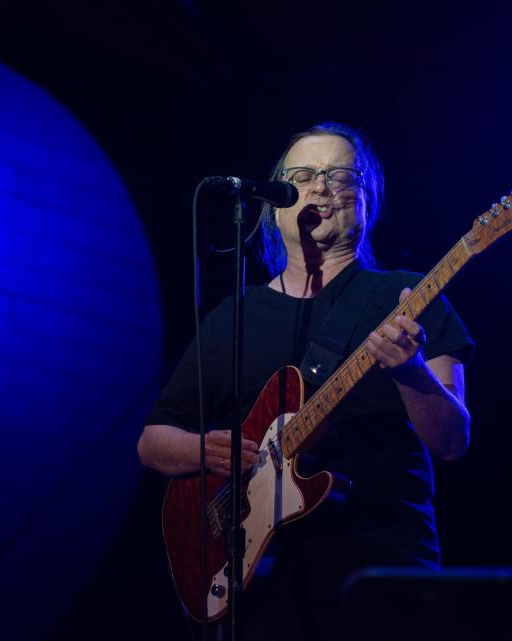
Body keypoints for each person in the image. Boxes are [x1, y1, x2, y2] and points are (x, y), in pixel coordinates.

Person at [137, 122, 474, 640]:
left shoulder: (410, 294)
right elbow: (153, 440)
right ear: (275, 204)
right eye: (304, 175)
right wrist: (208, 451)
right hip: (262, 584)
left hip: (381, 569)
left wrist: (409, 372)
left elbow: (452, 440)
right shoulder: (237, 315)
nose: (321, 187)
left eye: (341, 176)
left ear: (367, 201)